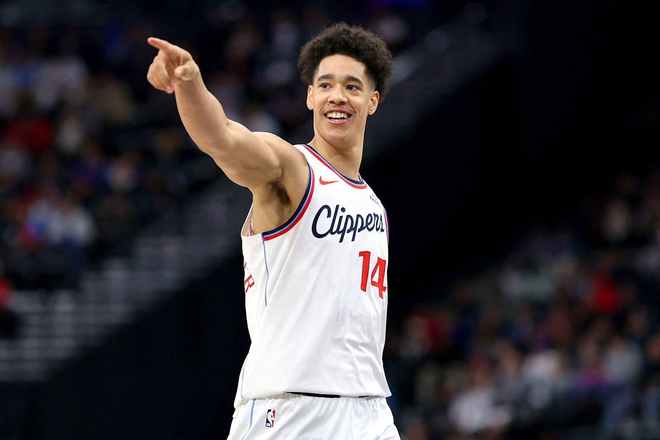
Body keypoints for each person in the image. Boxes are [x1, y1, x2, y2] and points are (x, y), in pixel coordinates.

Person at [147, 22, 400, 439]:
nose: (337, 96)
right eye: (326, 85)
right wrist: (190, 85)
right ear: (310, 96)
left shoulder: (372, 203)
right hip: (289, 410)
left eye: (352, 87)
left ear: (372, 101)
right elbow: (224, 139)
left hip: (369, 410)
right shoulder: (292, 168)